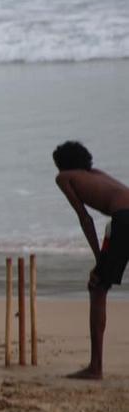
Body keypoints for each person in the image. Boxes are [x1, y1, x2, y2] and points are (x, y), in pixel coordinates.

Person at [53, 140, 129, 380]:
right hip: (123, 215)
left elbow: (85, 219)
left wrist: (99, 260)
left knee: (97, 287)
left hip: (124, 219)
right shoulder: (96, 173)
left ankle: (95, 367)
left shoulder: (64, 178)